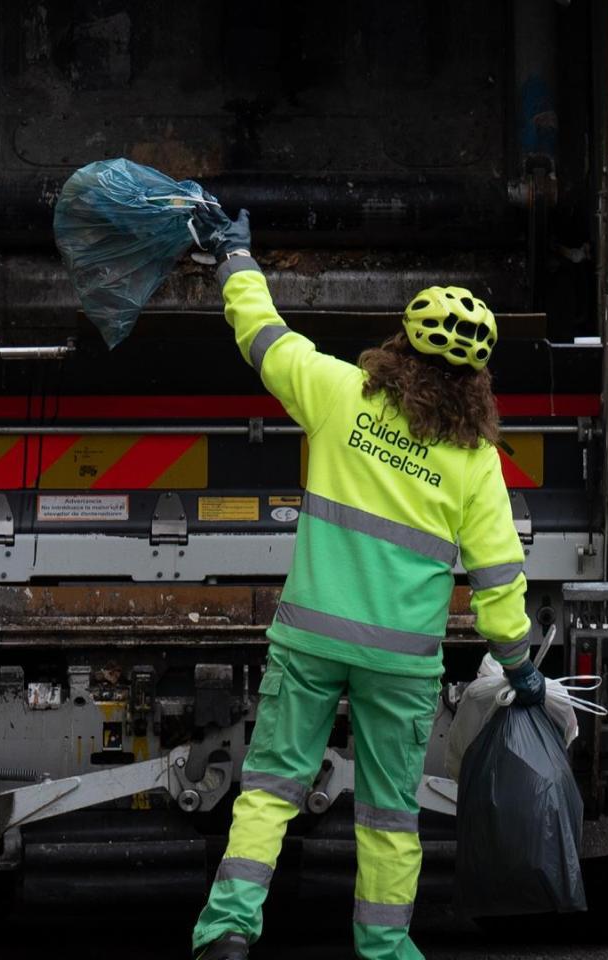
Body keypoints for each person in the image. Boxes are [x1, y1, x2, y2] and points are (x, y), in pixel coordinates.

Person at [190, 210, 546, 960]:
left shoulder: (338, 393)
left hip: (310, 639)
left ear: (399, 348)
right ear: (476, 382)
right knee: (388, 816)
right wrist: (520, 667)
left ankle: (228, 929)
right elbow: (498, 580)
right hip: (400, 666)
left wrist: (233, 258)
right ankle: (383, 950)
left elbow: (264, 336)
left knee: (269, 790)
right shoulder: (476, 461)